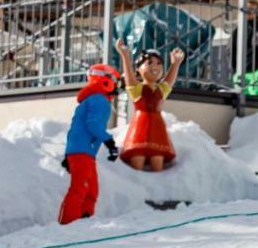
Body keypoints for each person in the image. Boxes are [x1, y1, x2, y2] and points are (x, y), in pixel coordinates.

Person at [59, 63, 121, 225]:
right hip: (82, 152)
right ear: (105, 81)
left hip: (84, 152)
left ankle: (83, 224)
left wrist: (68, 154)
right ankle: (67, 225)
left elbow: (75, 128)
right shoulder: (99, 99)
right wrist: (109, 142)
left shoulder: (92, 99)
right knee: (80, 189)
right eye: (116, 81)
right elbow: (92, 124)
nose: (117, 87)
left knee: (91, 192)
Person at [116, 41, 184, 171]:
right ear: (139, 68)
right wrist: (125, 56)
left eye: (159, 63)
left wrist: (175, 64)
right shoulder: (137, 89)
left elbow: (169, 81)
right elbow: (129, 78)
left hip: (157, 128)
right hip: (139, 127)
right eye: (150, 63)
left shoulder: (160, 90)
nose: (155, 66)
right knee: (138, 155)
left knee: (158, 157)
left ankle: (157, 184)